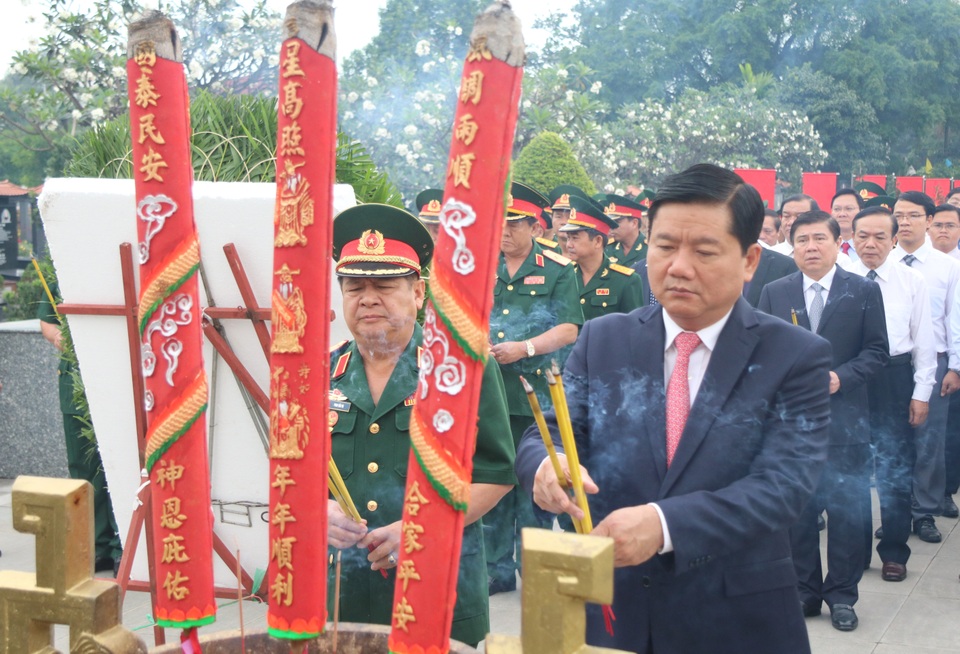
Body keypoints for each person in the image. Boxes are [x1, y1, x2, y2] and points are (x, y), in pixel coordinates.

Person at [516, 163, 832, 653]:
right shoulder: (605, 338)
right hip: (611, 611)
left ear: (749, 260)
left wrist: (665, 525)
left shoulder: (793, 354)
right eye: (664, 247)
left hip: (734, 615)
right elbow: (551, 431)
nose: (678, 267)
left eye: (704, 251)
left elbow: (783, 487)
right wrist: (545, 463)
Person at [325, 204, 515, 647]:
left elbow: (495, 475)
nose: (367, 298)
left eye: (385, 286)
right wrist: (318, 513)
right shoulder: (321, 370)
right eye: (353, 286)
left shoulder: (462, 367)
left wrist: (420, 528)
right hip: (342, 593)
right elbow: (293, 471)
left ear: (419, 292)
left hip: (437, 582)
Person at [759, 211, 888, 632]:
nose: (810, 247)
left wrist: (840, 378)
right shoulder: (775, 291)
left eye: (819, 238)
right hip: (791, 426)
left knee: (847, 514)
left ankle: (842, 596)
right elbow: (761, 351)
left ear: (838, 243)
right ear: (790, 245)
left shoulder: (862, 291)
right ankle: (805, 591)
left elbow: (876, 351)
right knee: (798, 514)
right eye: (801, 240)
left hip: (846, 422)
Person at [485, 181, 583, 594]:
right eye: (499, 224)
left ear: (534, 226)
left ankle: (535, 567)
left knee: (534, 483)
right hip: (489, 395)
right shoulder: (482, 266)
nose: (504, 232)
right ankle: (496, 569)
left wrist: (526, 347)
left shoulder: (557, 270)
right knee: (492, 480)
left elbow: (568, 327)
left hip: (534, 394)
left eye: (514, 224)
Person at [849, 206, 936, 582]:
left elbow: (925, 344)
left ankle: (895, 552)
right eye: (863, 236)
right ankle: (853, 552)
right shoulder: (841, 278)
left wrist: (921, 393)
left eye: (880, 236)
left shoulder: (911, 281)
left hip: (894, 378)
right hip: (849, 380)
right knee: (849, 470)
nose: (870, 244)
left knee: (894, 470)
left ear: (894, 238)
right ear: (850, 238)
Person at [890, 191, 960, 543]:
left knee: (930, 441)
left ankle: (924, 513)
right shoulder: (883, 262)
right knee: (893, 440)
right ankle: (895, 514)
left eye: (913, 215)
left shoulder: (949, 266)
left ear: (929, 221)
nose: (905, 222)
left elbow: (955, 318)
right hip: (891, 364)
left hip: (936, 363)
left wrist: (955, 367)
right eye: (899, 215)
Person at [38, 287, 122, 574]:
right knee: (83, 467)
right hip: (74, 381)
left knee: (117, 463)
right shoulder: (57, 262)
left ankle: (123, 544)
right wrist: (66, 340)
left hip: (116, 374)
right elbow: (47, 322)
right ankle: (95, 547)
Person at [561, 194, 644, 320]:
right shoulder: (564, 276)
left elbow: (633, 330)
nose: (569, 245)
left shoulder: (626, 281)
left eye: (575, 238)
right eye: (568, 238)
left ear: (598, 241)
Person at [603, 194, 648, 267]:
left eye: (617, 222)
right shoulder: (607, 249)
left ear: (634, 223)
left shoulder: (649, 250)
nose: (612, 226)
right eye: (611, 222)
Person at [831, 188, 863, 262]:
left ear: (861, 211)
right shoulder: (824, 247)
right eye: (837, 209)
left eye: (849, 209)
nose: (842, 214)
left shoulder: (868, 247)